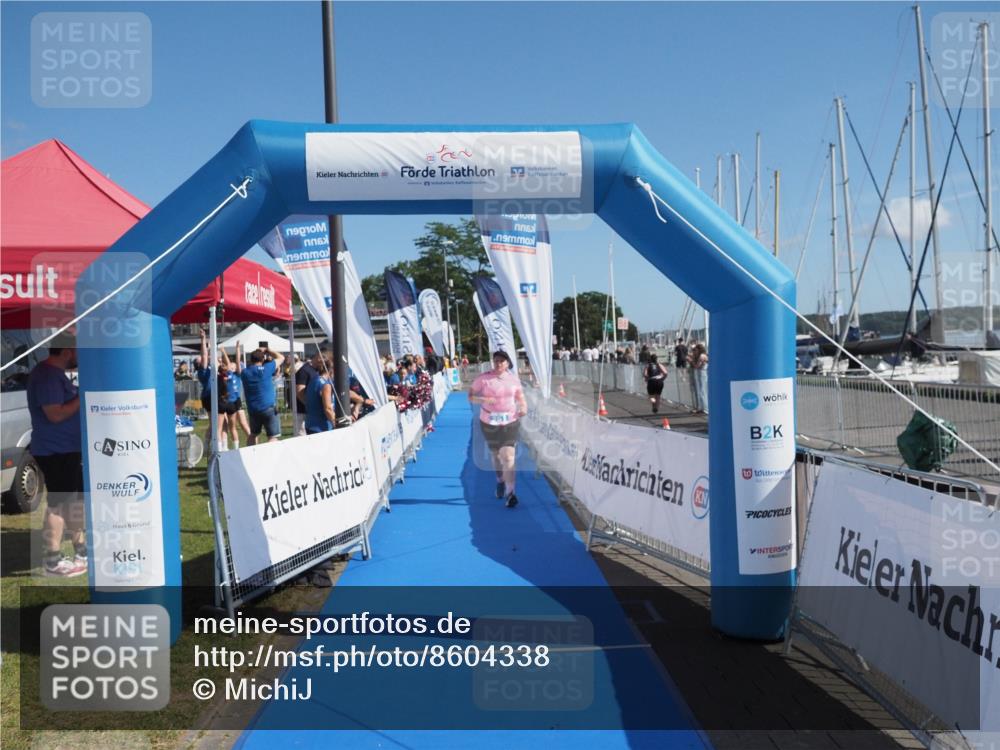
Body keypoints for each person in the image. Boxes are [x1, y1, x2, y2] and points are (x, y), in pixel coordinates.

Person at [27, 335, 87, 577]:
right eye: (78, 350)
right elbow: (55, 414)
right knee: (59, 505)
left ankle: (82, 551)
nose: (80, 355)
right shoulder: (47, 376)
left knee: (74, 502)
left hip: (67, 449)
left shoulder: (55, 374)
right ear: (67, 351)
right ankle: (53, 561)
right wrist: (82, 396)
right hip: (55, 451)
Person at [468, 350, 527, 509]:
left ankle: (511, 493)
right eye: (496, 361)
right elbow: (470, 396)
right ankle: (500, 480)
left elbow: (520, 398)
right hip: (489, 421)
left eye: (502, 361)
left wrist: (523, 407)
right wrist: (483, 399)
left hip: (510, 420)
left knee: (508, 456)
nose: (499, 363)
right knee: (496, 455)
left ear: (507, 363)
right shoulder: (484, 378)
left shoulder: (514, 379)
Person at [237, 341, 284, 445]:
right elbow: (281, 357)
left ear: (250, 360)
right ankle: (271, 454)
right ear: (262, 359)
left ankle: (250, 453)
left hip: (253, 409)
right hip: (268, 408)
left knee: (253, 434)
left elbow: (240, 369)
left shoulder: (245, 373)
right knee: (273, 437)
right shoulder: (267, 368)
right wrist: (268, 350)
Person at [295, 349, 327, 436]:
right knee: (303, 439)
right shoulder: (304, 371)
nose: (325, 364)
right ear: (319, 357)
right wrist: (310, 406)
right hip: (302, 412)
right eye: (324, 360)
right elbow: (299, 392)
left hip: (311, 413)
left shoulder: (316, 371)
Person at [304, 355, 336, 434]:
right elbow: (328, 409)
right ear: (331, 370)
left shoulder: (313, 380)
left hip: (310, 424)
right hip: (321, 427)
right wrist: (336, 424)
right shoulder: (326, 385)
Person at [689, 341, 709, 414]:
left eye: (696, 350)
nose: (695, 351)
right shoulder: (703, 355)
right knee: (701, 390)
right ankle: (702, 407)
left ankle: (705, 408)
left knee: (702, 391)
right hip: (701, 373)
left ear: (699, 349)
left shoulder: (702, 356)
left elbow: (697, 366)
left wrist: (691, 361)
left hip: (702, 373)